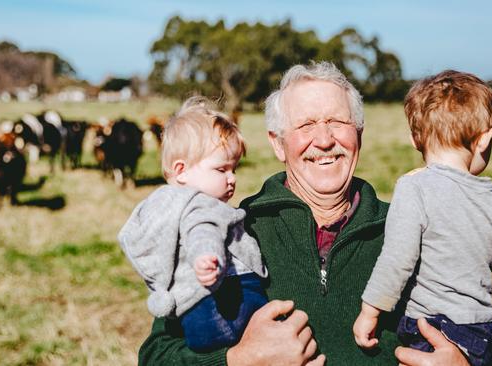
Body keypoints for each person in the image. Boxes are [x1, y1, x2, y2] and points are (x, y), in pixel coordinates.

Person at [137, 62, 469, 365]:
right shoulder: (233, 233)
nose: (324, 140)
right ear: (278, 143)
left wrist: (466, 362)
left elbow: (487, 334)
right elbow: (155, 356)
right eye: (306, 125)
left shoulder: (411, 228)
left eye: (337, 122)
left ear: (359, 135)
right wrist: (239, 360)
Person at [353, 70, 492, 366]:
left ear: (416, 139)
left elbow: (397, 258)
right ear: (484, 139)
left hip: (432, 326)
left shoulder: (414, 187)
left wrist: (370, 310)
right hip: (485, 330)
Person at [118, 97, 268, 352]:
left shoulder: (164, 205)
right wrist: (206, 256)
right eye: (222, 170)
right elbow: (203, 232)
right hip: (228, 297)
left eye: (234, 169)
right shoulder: (199, 204)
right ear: (181, 171)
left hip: (193, 307)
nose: (232, 179)